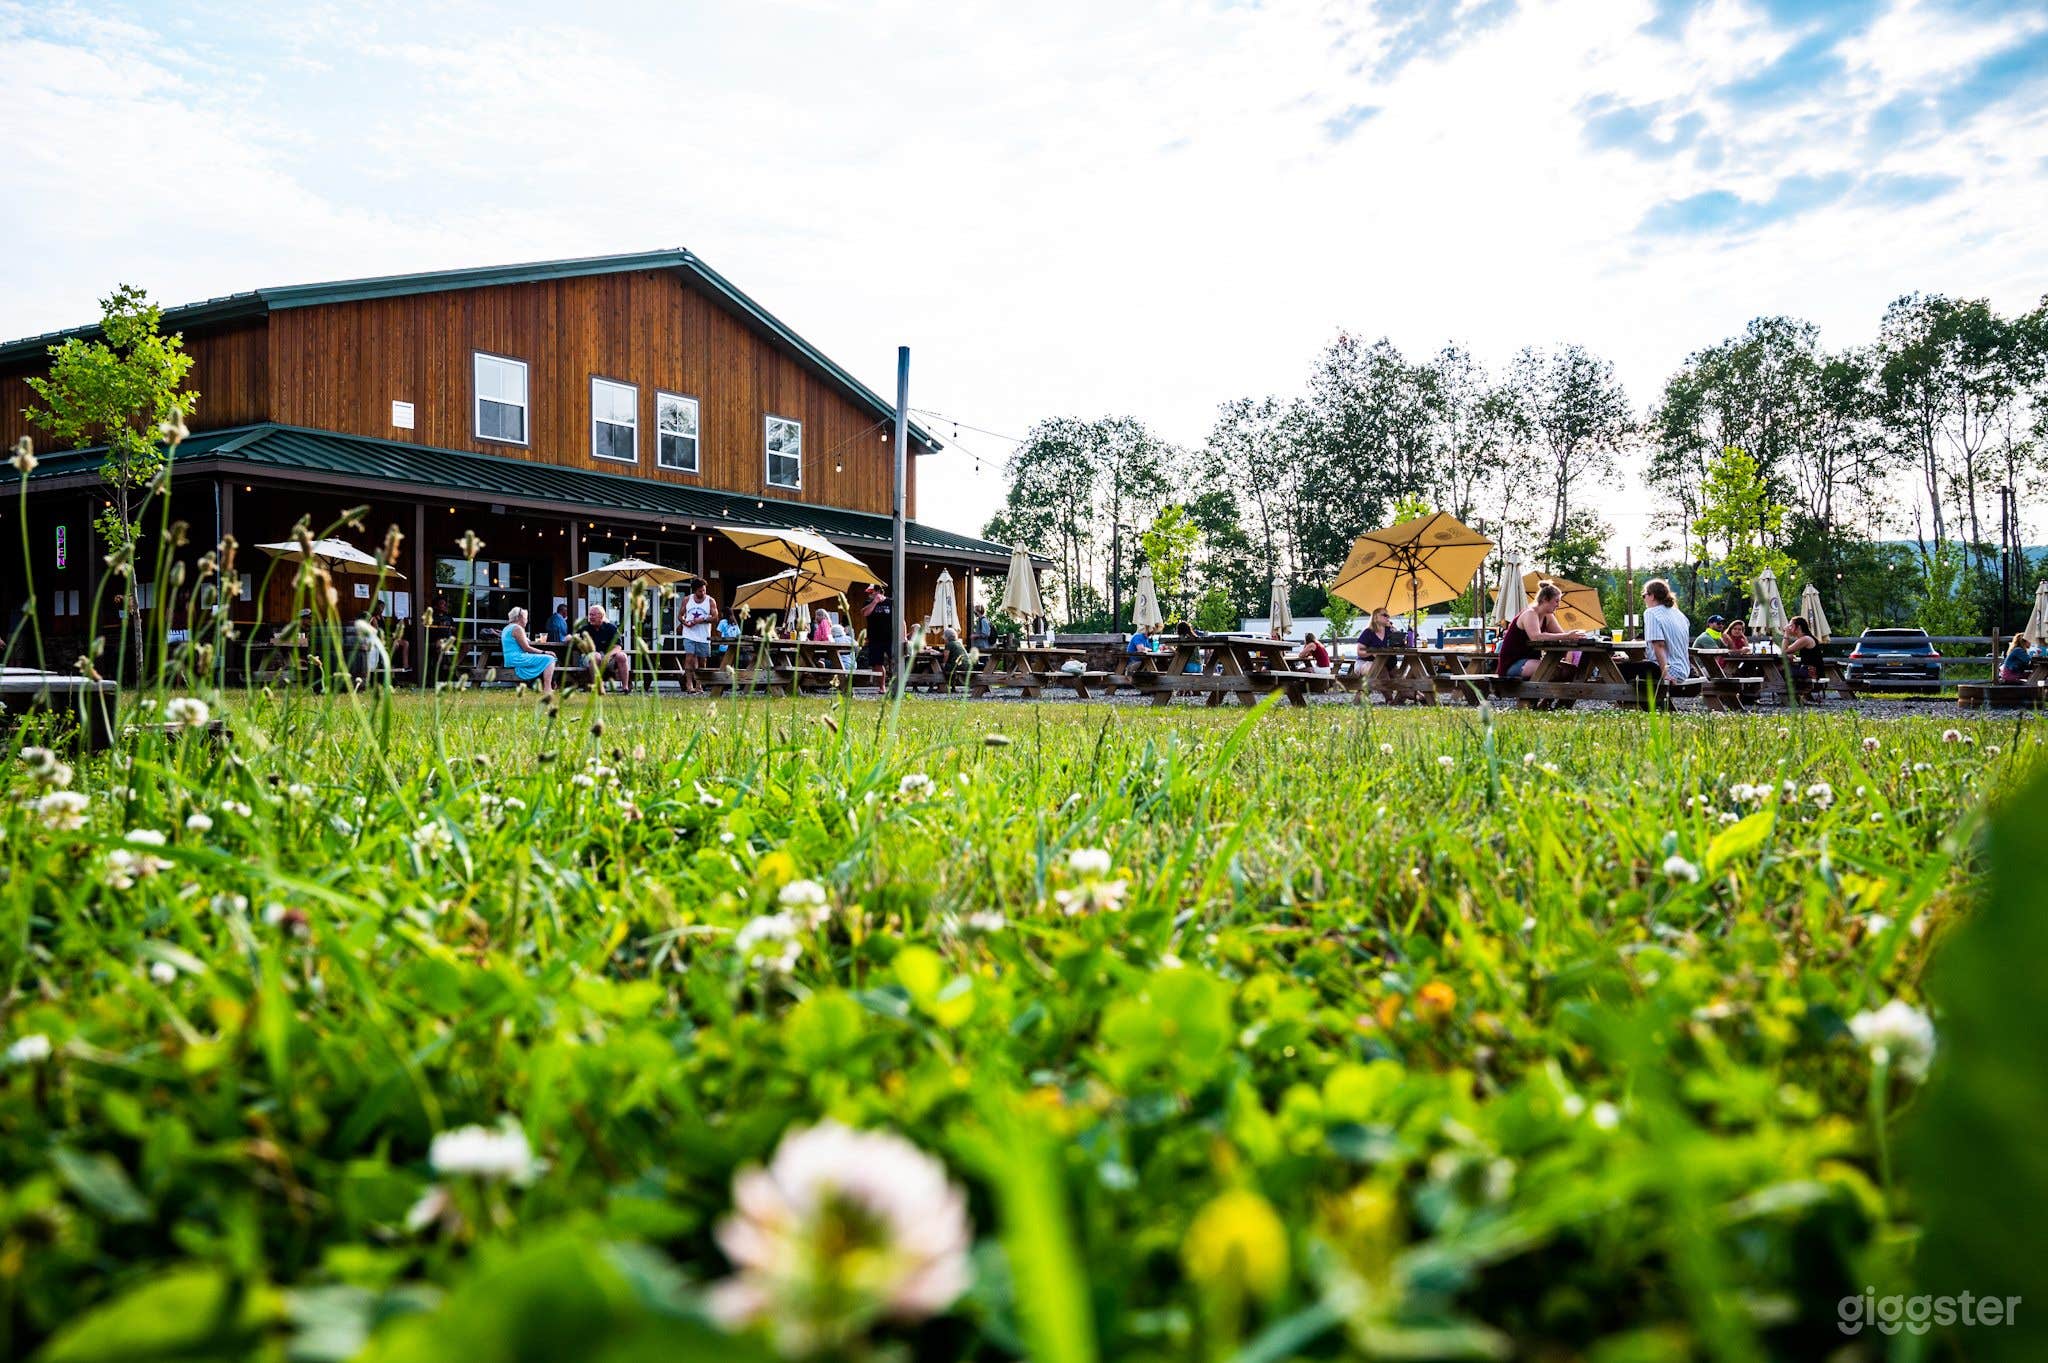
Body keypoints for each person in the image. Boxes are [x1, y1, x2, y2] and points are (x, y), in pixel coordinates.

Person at [1497, 581, 1592, 680]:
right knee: (1554, 671)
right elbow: (1536, 637)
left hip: (1531, 661)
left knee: (1572, 671)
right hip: (1513, 664)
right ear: (1545, 599)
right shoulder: (1530, 613)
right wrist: (1567, 636)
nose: (1558, 605)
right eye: (1556, 601)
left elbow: (1561, 634)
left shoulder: (1548, 616)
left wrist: (1575, 636)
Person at [1628, 579, 1690, 686]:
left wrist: (1665, 674)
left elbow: (1659, 645)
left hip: (1667, 670)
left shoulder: (1651, 613)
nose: (1644, 599)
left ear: (1652, 596)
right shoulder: (1679, 614)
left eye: (1644, 596)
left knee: (1616, 669)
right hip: (1684, 670)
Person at [673, 579, 719, 695]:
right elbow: (680, 616)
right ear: (694, 591)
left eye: (704, 590)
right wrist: (684, 622)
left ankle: (699, 684)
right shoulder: (687, 600)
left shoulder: (710, 601)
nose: (702, 593)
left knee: (702, 661)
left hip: (703, 635)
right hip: (689, 634)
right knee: (689, 658)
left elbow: (715, 617)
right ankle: (689, 684)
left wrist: (702, 619)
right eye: (700, 591)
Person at [499, 607, 558, 694]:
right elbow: (526, 648)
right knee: (550, 659)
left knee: (545, 658)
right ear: (519, 617)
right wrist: (545, 652)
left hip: (510, 659)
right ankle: (547, 688)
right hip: (517, 658)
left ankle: (541, 685)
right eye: (525, 617)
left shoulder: (507, 628)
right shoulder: (517, 628)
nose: (526, 620)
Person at [572, 604, 631, 691]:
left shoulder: (611, 628)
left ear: (601, 616)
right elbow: (573, 637)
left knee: (622, 656)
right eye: (590, 615)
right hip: (590, 658)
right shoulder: (585, 629)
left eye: (593, 615)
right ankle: (597, 688)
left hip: (608, 658)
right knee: (596, 656)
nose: (590, 617)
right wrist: (569, 638)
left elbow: (618, 647)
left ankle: (625, 687)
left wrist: (608, 655)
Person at [858, 584, 896, 677]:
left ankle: (897, 682)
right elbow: (865, 613)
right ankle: (882, 685)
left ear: (878, 591)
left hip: (891, 637)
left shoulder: (891, 602)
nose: (869, 595)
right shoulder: (868, 602)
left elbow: (901, 620)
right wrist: (875, 602)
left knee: (895, 660)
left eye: (871, 592)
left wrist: (903, 636)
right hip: (875, 638)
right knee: (877, 663)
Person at [1781, 615, 1823, 687]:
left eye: (1791, 626)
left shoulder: (1805, 639)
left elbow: (1784, 650)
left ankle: (1783, 691)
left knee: (1780, 670)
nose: (1789, 628)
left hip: (1810, 672)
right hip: (1809, 670)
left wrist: (1786, 634)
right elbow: (1787, 650)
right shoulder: (1805, 638)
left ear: (1799, 627)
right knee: (1781, 669)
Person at [940, 625, 969, 691]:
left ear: (946, 637)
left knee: (941, 666)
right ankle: (952, 687)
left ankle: (941, 686)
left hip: (957, 666)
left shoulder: (949, 644)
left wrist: (944, 663)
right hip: (966, 665)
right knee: (949, 666)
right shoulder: (959, 643)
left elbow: (946, 655)